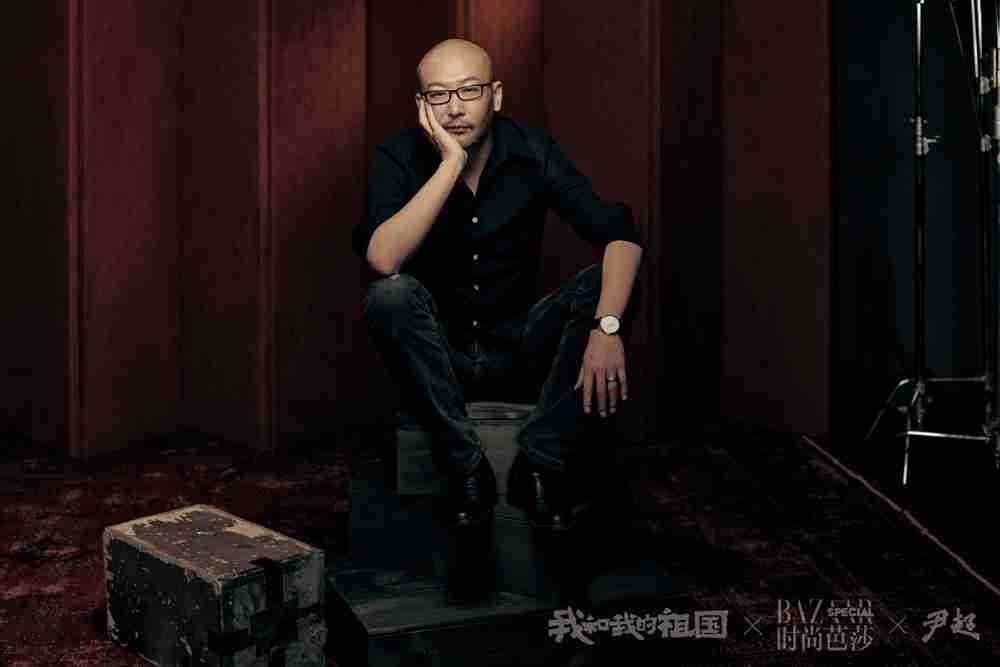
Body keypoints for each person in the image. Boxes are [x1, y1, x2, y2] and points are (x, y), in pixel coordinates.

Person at [353, 38, 643, 532]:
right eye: (439, 95)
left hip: (519, 349)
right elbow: (383, 258)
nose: (455, 108)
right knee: (389, 295)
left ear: (497, 95)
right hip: (441, 356)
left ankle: (541, 460)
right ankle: (466, 467)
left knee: (610, 283)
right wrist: (450, 164)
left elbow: (621, 237)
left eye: (470, 90)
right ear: (422, 104)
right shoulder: (398, 155)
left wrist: (607, 328)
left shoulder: (532, 150)